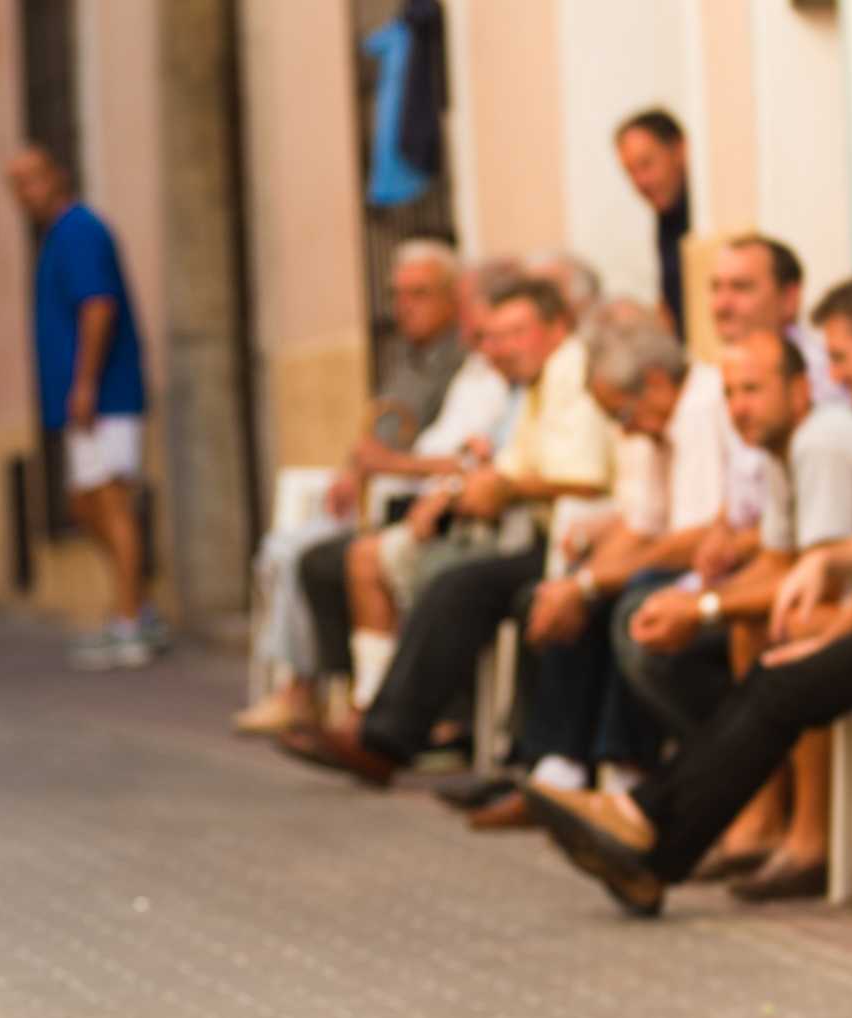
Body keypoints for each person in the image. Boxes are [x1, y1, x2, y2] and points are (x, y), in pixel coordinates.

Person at [526, 284, 852, 915]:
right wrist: (816, 566)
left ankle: (652, 827)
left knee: (787, 664)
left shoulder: (825, 437)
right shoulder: (808, 440)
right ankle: (654, 837)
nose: (833, 374)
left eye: (839, 357)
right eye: (730, 394)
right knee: (773, 661)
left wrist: (724, 610)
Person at [291, 279, 613, 784]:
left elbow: (585, 477)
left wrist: (500, 489)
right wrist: (461, 489)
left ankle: (390, 738)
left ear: (556, 329)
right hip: (534, 533)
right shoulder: (537, 383)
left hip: (576, 541)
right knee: (407, 568)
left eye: (517, 334)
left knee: (456, 586)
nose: (502, 349)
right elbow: (511, 465)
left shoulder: (572, 370)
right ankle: (380, 726)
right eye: (496, 336)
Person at [468, 303, 736, 829]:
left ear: (655, 382)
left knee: (631, 602)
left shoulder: (700, 412)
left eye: (622, 414)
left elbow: (695, 537)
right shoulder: (658, 422)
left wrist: (590, 583)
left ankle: (627, 774)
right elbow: (643, 525)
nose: (624, 428)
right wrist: (576, 585)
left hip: (714, 571)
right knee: (574, 595)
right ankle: (559, 767)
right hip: (687, 562)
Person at [240, 240, 481, 734]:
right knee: (296, 553)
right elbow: (382, 433)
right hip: (400, 498)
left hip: (430, 505)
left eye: (419, 294)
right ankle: (328, 694)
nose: (404, 306)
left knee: (345, 560)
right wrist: (356, 470)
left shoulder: (463, 363)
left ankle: (374, 708)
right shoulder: (408, 358)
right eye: (399, 295)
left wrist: (391, 464)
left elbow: (455, 454)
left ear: (455, 300)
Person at [6, 145, 155, 670]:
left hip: (104, 394)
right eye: (16, 185)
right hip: (83, 400)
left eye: (33, 180)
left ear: (58, 176)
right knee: (83, 504)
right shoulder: (56, 238)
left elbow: (98, 306)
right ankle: (134, 603)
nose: (25, 194)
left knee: (111, 501)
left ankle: (130, 621)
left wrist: (86, 382)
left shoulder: (81, 231)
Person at [615, 108, 690, 339]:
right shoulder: (664, 217)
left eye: (646, 164)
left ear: (679, 150)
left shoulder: (705, 210)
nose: (641, 182)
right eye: (630, 172)